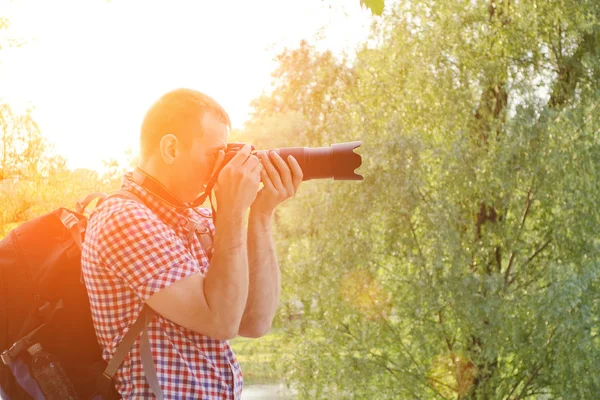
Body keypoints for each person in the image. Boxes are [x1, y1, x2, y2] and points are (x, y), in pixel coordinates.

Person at [81, 88, 303, 399]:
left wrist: (261, 214)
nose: (221, 169)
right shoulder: (123, 219)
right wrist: (232, 211)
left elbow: (254, 321)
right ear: (171, 148)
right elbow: (222, 321)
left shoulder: (196, 219)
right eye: (215, 154)